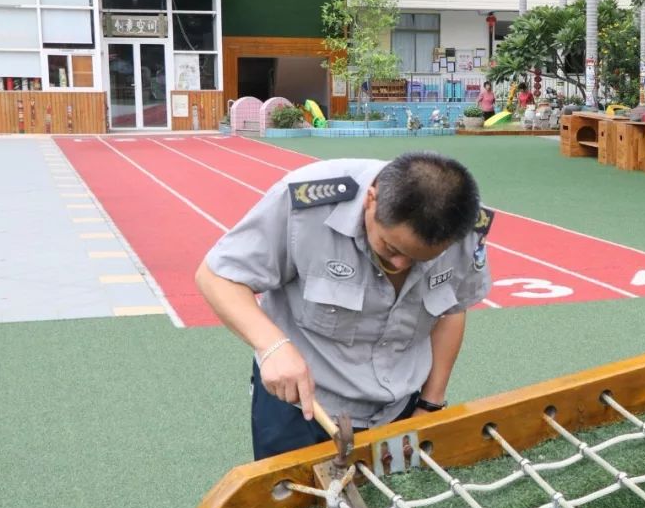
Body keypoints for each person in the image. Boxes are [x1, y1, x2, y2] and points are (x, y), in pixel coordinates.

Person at [196, 151, 493, 460]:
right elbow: (217, 276)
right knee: (296, 507)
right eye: (391, 248)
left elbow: (452, 309)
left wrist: (430, 404)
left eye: (422, 259)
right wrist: (272, 346)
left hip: (401, 406)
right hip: (304, 404)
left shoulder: (464, 228)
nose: (401, 265)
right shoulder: (307, 204)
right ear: (371, 199)